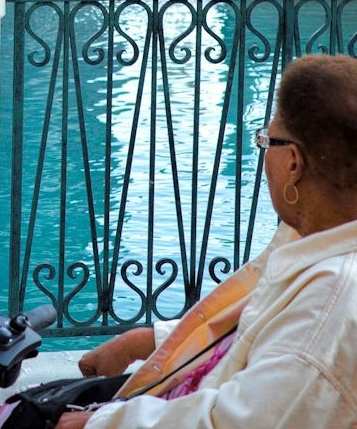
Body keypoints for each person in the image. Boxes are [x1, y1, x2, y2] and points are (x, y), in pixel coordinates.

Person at [51, 53, 357, 428]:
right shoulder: (320, 246)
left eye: (267, 141)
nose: (265, 155)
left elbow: (231, 421)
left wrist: (100, 423)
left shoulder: (326, 308)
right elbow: (252, 326)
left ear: (293, 163)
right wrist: (148, 340)